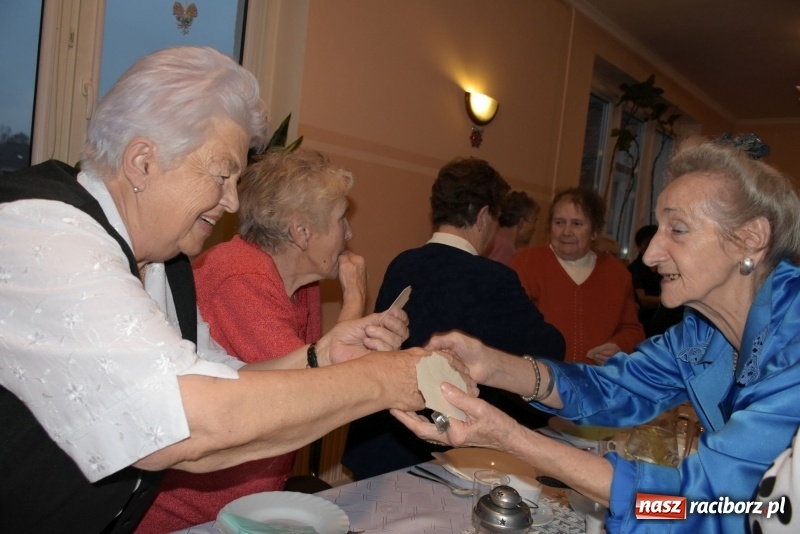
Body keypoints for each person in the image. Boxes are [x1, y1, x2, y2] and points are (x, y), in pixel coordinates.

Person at [0, 46, 472, 533]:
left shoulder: (164, 265)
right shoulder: (48, 234)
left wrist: (320, 355)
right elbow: (190, 422)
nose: (230, 203)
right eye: (222, 174)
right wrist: (387, 378)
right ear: (142, 162)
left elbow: (222, 374)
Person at [394, 134, 800, 533]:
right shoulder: (702, 335)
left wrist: (512, 439)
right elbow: (610, 389)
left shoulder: (794, 344)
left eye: (677, 229)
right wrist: (494, 365)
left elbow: (700, 507)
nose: (652, 254)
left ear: (750, 238)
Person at [137, 149, 367, 531]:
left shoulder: (301, 282)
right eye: (341, 220)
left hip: (246, 504)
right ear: (301, 232)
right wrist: (355, 300)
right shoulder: (241, 277)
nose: (349, 233)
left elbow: (316, 360)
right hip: (188, 516)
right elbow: (312, 396)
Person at [343, 157, 565, 480]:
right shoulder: (493, 279)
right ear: (483, 216)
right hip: (441, 456)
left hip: (380, 440)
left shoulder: (402, 263)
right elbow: (552, 350)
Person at [510, 188, 644, 364]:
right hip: (537, 378)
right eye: (559, 222)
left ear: (595, 231)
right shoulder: (525, 263)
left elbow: (633, 330)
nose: (566, 231)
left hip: (596, 379)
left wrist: (618, 345)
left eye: (576, 224)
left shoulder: (617, 274)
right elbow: (508, 322)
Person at [628, 224, 684, 337]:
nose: (653, 246)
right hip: (645, 321)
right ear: (640, 247)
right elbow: (643, 300)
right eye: (647, 243)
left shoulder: (667, 266)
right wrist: (671, 299)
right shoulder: (634, 269)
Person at [485, 190, 539, 265]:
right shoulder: (505, 247)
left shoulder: (495, 239)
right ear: (521, 222)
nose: (534, 228)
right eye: (534, 221)